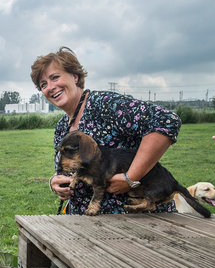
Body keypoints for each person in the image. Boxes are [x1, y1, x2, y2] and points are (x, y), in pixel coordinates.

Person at [30, 47, 182, 215]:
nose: (50, 87)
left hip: (137, 220)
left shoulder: (105, 104)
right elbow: (70, 169)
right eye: (43, 84)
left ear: (75, 76)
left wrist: (130, 178)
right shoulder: (62, 126)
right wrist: (55, 182)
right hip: (86, 222)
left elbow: (166, 120)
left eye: (55, 77)